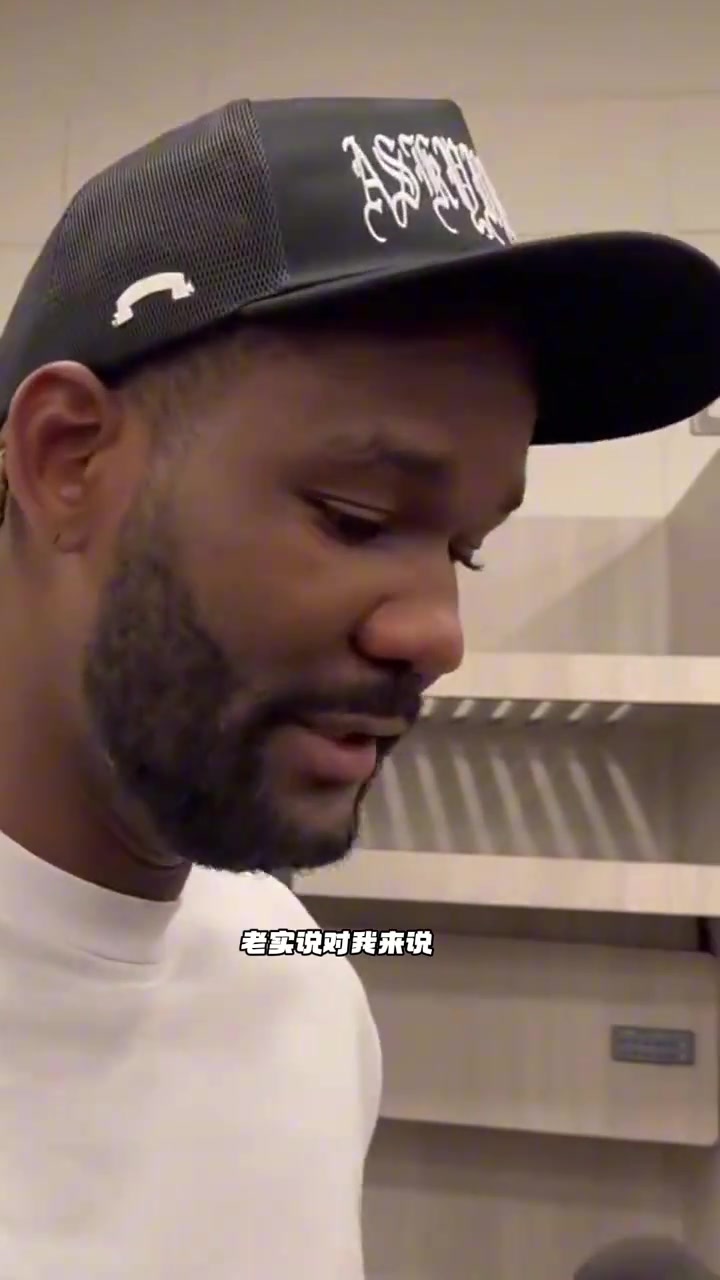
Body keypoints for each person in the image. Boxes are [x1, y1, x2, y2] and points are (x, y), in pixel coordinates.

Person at [0, 95, 718, 1280]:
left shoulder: (299, 985)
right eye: (356, 515)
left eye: (466, 550)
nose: (438, 633)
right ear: (66, 458)